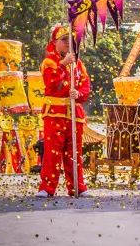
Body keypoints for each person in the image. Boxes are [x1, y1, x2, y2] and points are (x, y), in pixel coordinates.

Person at [36, 25, 91, 198]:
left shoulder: (79, 64)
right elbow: (51, 84)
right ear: (54, 42)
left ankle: (77, 187)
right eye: (64, 40)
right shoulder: (49, 62)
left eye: (71, 40)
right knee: (52, 152)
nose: (68, 43)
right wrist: (62, 65)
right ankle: (47, 188)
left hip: (75, 114)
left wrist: (78, 93)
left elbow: (85, 87)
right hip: (55, 113)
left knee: (74, 152)